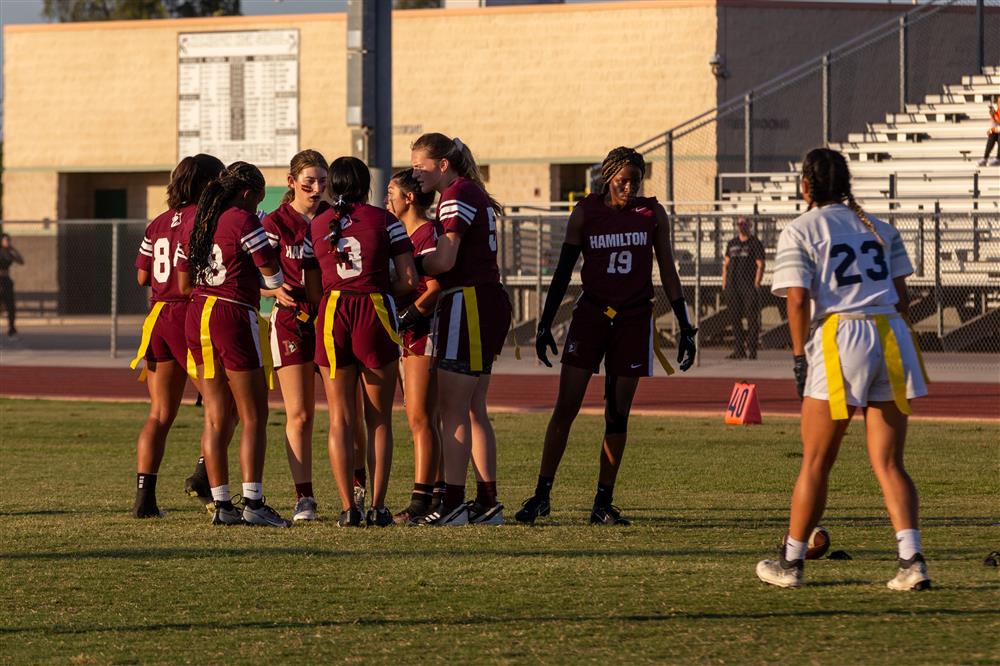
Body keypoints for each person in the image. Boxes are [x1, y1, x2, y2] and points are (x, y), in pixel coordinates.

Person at [756, 147, 930, 590]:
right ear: (846, 184)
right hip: (890, 332)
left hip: (842, 336)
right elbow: (903, 298)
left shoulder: (801, 229)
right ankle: (911, 562)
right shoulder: (879, 226)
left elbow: (796, 300)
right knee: (889, 461)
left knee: (816, 460)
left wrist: (799, 357)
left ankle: (791, 562)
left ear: (806, 186)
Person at [515, 146, 697, 526]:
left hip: (633, 318)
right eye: (622, 180)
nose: (630, 187)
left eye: (635, 180)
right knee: (566, 407)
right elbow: (563, 272)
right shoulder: (585, 212)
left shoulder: (652, 213)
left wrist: (684, 324)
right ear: (607, 178)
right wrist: (545, 322)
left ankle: (603, 502)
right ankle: (542, 495)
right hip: (592, 315)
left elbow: (668, 271)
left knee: (617, 415)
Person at [306, 156, 418, 528]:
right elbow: (408, 280)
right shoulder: (385, 220)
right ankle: (378, 506)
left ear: (333, 186)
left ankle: (347, 508)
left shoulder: (317, 224)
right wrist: (382, 288)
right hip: (373, 309)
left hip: (332, 310)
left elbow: (312, 288)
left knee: (339, 419)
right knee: (379, 419)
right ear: (365, 184)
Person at [179, 161, 291, 528]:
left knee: (214, 416)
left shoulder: (197, 218)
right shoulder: (243, 220)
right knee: (253, 414)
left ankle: (222, 504)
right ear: (248, 194)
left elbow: (184, 277)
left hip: (197, 313)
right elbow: (271, 271)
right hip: (232, 314)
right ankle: (253, 502)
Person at [409, 133, 513, 526]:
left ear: (443, 164)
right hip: (484, 300)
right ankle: (487, 502)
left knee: (451, 410)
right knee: (473, 410)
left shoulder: (456, 194)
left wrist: (409, 265)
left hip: (467, 301)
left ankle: (452, 502)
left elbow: (446, 259)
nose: (415, 173)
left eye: (420, 165)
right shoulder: (468, 192)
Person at [130, 154, 225, 518]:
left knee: (159, 413)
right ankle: (205, 478)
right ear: (206, 183)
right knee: (223, 405)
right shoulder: (205, 217)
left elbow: (141, 277)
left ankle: (144, 499)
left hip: (158, 316)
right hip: (190, 315)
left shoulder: (157, 223)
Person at [261, 149, 329, 522]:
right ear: (291, 183)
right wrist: (272, 291)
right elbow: (247, 274)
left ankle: (357, 491)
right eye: (309, 182)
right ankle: (304, 497)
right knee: (300, 414)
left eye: (323, 181)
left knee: (345, 411)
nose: (317, 188)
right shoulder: (275, 222)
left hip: (335, 320)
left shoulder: (336, 219)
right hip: (291, 320)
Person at [386, 168, 444, 525]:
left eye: (391, 191)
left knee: (421, 416)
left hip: (424, 331)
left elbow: (434, 288)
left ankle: (424, 498)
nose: (386, 199)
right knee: (417, 415)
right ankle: (434, 491)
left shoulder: (426, 232)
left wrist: (406, 316)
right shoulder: (398, 232)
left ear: (409, 197)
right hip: (408, 333)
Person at [721, 217, 765, 360]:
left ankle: (752, 350)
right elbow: (726, 265)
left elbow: (760, 264)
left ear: (750, 226)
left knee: (752, 319)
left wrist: (757, 283)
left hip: (748, 287)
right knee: (735, 318)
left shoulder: (755, 243)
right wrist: (724, 282)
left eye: (744, 224)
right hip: (733, 287)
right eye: (739, 224)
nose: (742, 226)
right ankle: (739, 350)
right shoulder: (732, 243)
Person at [0, 233, 25, 337]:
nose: (7, 242)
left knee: (11, 306)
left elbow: (21, 261)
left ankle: (12, 328)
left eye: (8, 240)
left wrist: (13, 249)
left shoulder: (9, 252)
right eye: (5, 240)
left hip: (6, 280)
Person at [977, 95, 1000, 167]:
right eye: (999, 102)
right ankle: (985, 158)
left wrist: (993, 129)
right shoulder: (998, 112)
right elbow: (992, 128)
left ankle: (998, 158)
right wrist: (993, 117)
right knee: (992, 134)